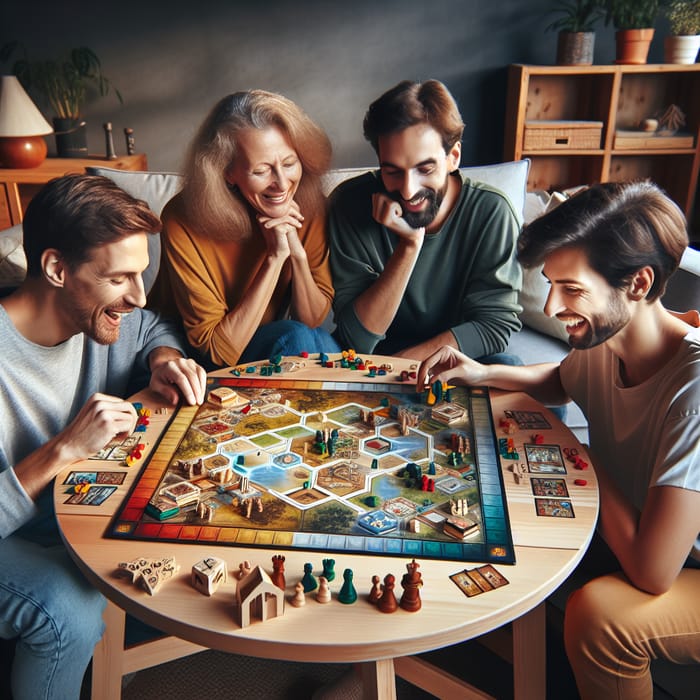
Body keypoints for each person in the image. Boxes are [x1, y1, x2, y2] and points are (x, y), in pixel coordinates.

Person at [417, 181, 700, 699]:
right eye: (550, 283)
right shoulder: (606, 336)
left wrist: (582, 459)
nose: (550, 305)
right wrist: (480, 374)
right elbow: (564, 378)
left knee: (601, 618)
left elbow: (654, 570)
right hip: (649, 539)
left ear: (638, 283)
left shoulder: (694, 388)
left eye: (571, 289)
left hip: (683, 567)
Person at [0, 174, 207, 700]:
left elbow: (154, 326)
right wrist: (61, 451)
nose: (137, 296)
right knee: (66, 609)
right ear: (55, 268)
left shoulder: (105, 316)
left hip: (71, 515)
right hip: (12, 537)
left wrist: (165, 360)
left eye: (141, 274)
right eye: (121, 279)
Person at [328, 79, 522, 361]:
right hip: (369, 361)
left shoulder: (492, 211)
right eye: (392, 171)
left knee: (509, 366)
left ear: (453, 157)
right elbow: (355, 338)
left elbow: (494, 325)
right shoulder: (349, 204)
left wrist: (401, 369)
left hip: (448, 359)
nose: (408, 189)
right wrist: (409, 245)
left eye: (425, 168)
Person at [148, 90, 339, 369]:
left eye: (289, 163)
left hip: (266, 345)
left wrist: (296, 253)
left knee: (314, 340)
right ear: (227, 172)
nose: (283, 184)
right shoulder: (183, 217)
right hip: (186, 358)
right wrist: (275, 258)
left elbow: (310, 319)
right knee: (299, 339)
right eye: (262, 171)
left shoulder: (309, 205)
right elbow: (216, 351)